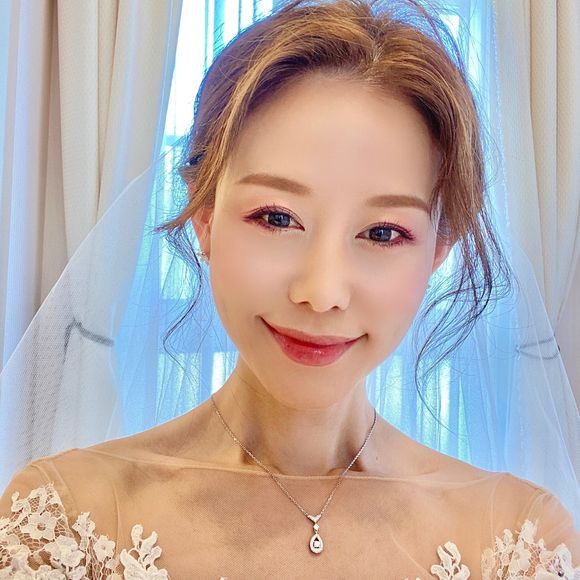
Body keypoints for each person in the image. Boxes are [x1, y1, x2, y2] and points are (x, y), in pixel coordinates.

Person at [1, 0, 578, 577]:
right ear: (203, 216)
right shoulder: (65, 521)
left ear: (437, 253)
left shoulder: (517, 539)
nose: (322, 293)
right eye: (277, 218)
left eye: (383, 232)